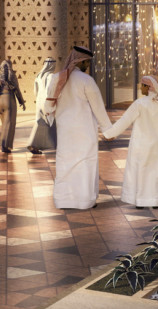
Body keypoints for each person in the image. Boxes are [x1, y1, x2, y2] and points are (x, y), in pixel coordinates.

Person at [47, 46, 113, 210]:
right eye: (87, 62)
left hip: (65, 131)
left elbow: (47, 107)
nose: (88, 66)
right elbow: (98, 108)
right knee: (85, 164)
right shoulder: (86, 80)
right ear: (80, 61)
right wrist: (108, 130)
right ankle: (84, 201)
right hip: (84, 131)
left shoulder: (57, 78)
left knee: (65, 164)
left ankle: (63, 200)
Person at [102, 75, 158, 208]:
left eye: (142, 85)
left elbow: (125, 120)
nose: (140, 87)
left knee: (140, 171)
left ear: (147, 87)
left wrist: (109, 134)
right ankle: (154, 200)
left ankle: (140, 200)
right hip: (157, 145)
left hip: (141, 144)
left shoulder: (140, 104)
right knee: (154, 171)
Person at [0, 59, 28, 154]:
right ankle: (5, 145)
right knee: (9, 124)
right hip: (9, 100)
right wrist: (22, 102)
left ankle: (4, 144)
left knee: (4, 124)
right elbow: (17, 90)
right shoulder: (12, 75)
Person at [27, 57, 59, 154]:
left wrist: (38, 99)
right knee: (52, 122)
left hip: (39, 102)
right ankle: (55, 144)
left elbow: (35, 90)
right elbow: (51, 90)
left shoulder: (38, 76)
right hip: (46, 102)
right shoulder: (50, 76)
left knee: (40, 123)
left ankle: (34, 145)